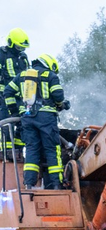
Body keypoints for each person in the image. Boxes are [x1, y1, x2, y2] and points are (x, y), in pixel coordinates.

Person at [4, 53, 70, 189]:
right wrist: (62, 104)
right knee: (52, 149)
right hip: (46, 118)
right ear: (50, 65)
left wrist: (14, 112)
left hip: (27, 117)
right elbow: (58, 96)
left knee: (31, 149)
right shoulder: (50, 75)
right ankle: (56, 183)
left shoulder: (22, 76)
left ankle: (29, 183)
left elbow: (7, 91)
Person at [0, 28, 29, 159]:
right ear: (11, 43)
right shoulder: (1, 54)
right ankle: (5, 151)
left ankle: (17, 152)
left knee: (22, 124)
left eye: (22, 48)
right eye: (18, 46)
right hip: (3, 97)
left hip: (21, 98)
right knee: (6, 123)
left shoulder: (23, 57)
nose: (20, 50)